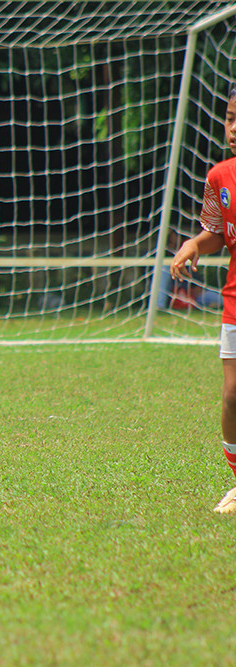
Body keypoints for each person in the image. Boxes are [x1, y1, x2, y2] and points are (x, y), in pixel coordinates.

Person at [170, 84, 236, 514]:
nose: (233, 128)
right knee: (233, 397)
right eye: (231, 118)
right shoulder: (220, 176)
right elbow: (218, 233)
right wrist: (195, 243)